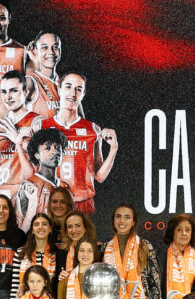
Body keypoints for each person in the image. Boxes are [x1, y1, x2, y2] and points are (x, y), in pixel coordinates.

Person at [39, 72, 118, 214]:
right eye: (68, 87)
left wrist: (113, 149)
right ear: (59, 89)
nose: (73, 93)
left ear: (83, 94)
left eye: (78, 89)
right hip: (51, 201)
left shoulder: (93, 130)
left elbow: (99, 177)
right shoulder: (42, 127)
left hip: (83, 202)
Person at [14, 127, 67, 232]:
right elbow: (21, 228)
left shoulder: (66, 188)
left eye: (57, 148)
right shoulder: (28, 186)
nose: (54, 152)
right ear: (37, 155)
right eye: (48, 148)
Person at [161, 214, 195, 299]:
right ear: (172, 232)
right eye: (179, 230)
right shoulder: (160, 255)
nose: (184, 233)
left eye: (187, 230)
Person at [10, 213, 61, 299]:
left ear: (50, 229)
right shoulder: (21, 253)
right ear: (32, 230)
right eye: (36, 224)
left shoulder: (57, 254)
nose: (40, 227)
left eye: (44, 224)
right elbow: (15, 286)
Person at [24, 30, 63, 119]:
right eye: (45, 47)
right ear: (36, 51)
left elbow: (79, 120)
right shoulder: (31, 81)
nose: (51, 52)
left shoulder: (66, 83)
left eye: (55, 47)